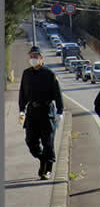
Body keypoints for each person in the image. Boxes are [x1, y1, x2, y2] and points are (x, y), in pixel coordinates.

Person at [18, 46, 64, 180]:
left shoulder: (49, 74)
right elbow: (22, 93)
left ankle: (48, 169)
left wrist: (59, 111)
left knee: (48, 142)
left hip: (46, 112)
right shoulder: (26, 74)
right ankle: (43, 159)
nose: (33, 59)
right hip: (32, 112)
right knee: (30, 140)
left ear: (41, 58)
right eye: (31, 56)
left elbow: (57, 94)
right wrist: (21, 109)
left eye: (36, 56)